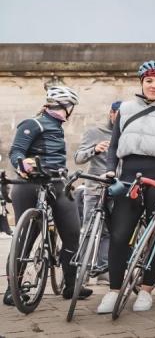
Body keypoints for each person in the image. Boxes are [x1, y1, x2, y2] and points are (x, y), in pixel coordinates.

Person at [96, 60, 155, 314]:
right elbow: (114, 146)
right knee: (120, 234)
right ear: (141, 83)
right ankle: (113, 291)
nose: (154, 86)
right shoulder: (125, 109)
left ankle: (146, 291)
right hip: (129, 177)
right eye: (150, 81)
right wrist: (111, 169)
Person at [4, 86, 93, 305]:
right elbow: (16, 151)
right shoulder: (32, 123)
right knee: (25, 237)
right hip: (28, 184)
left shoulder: (57, 127)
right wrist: (22, 163)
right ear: (66, 107)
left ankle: (71, 286)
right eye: (70, 107)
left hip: (56, 183)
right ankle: (11, 290)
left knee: (72, 233)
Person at [73, 100, 122, 286]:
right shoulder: (95, 132)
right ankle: (82, 272)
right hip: (95, 189)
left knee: (109, 232)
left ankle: (104, 271)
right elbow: (78, 158)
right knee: (88, 230)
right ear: (111, 113)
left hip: (118, 191)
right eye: (117, 115)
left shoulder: (127, 134)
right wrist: (94, 149)